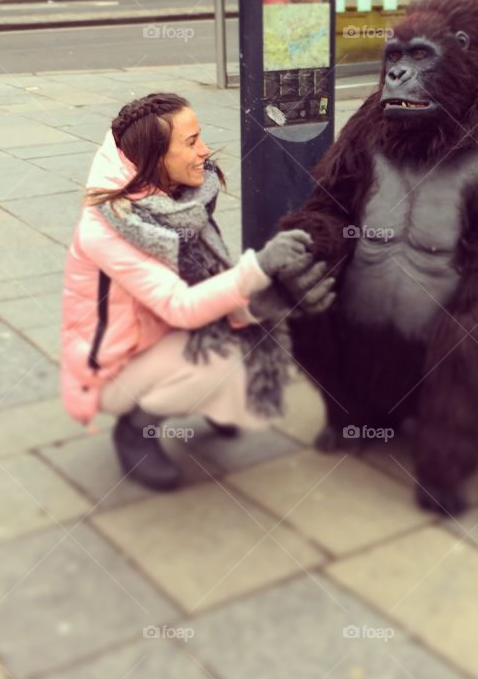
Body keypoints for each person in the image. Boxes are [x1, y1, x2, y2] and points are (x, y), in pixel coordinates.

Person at [60, 92, 335, 490]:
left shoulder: (177, 200)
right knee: (220, 355)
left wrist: (276, 300)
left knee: (250, 333)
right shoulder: (106, 228)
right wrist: (258, 268)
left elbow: (210, 282)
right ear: (155, 159)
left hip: (157, 336)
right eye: (190, 143)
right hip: (109, 366)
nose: (205, 151)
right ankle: (135, 429)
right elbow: (181, 307)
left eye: (199, 137)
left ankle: (211, 397)